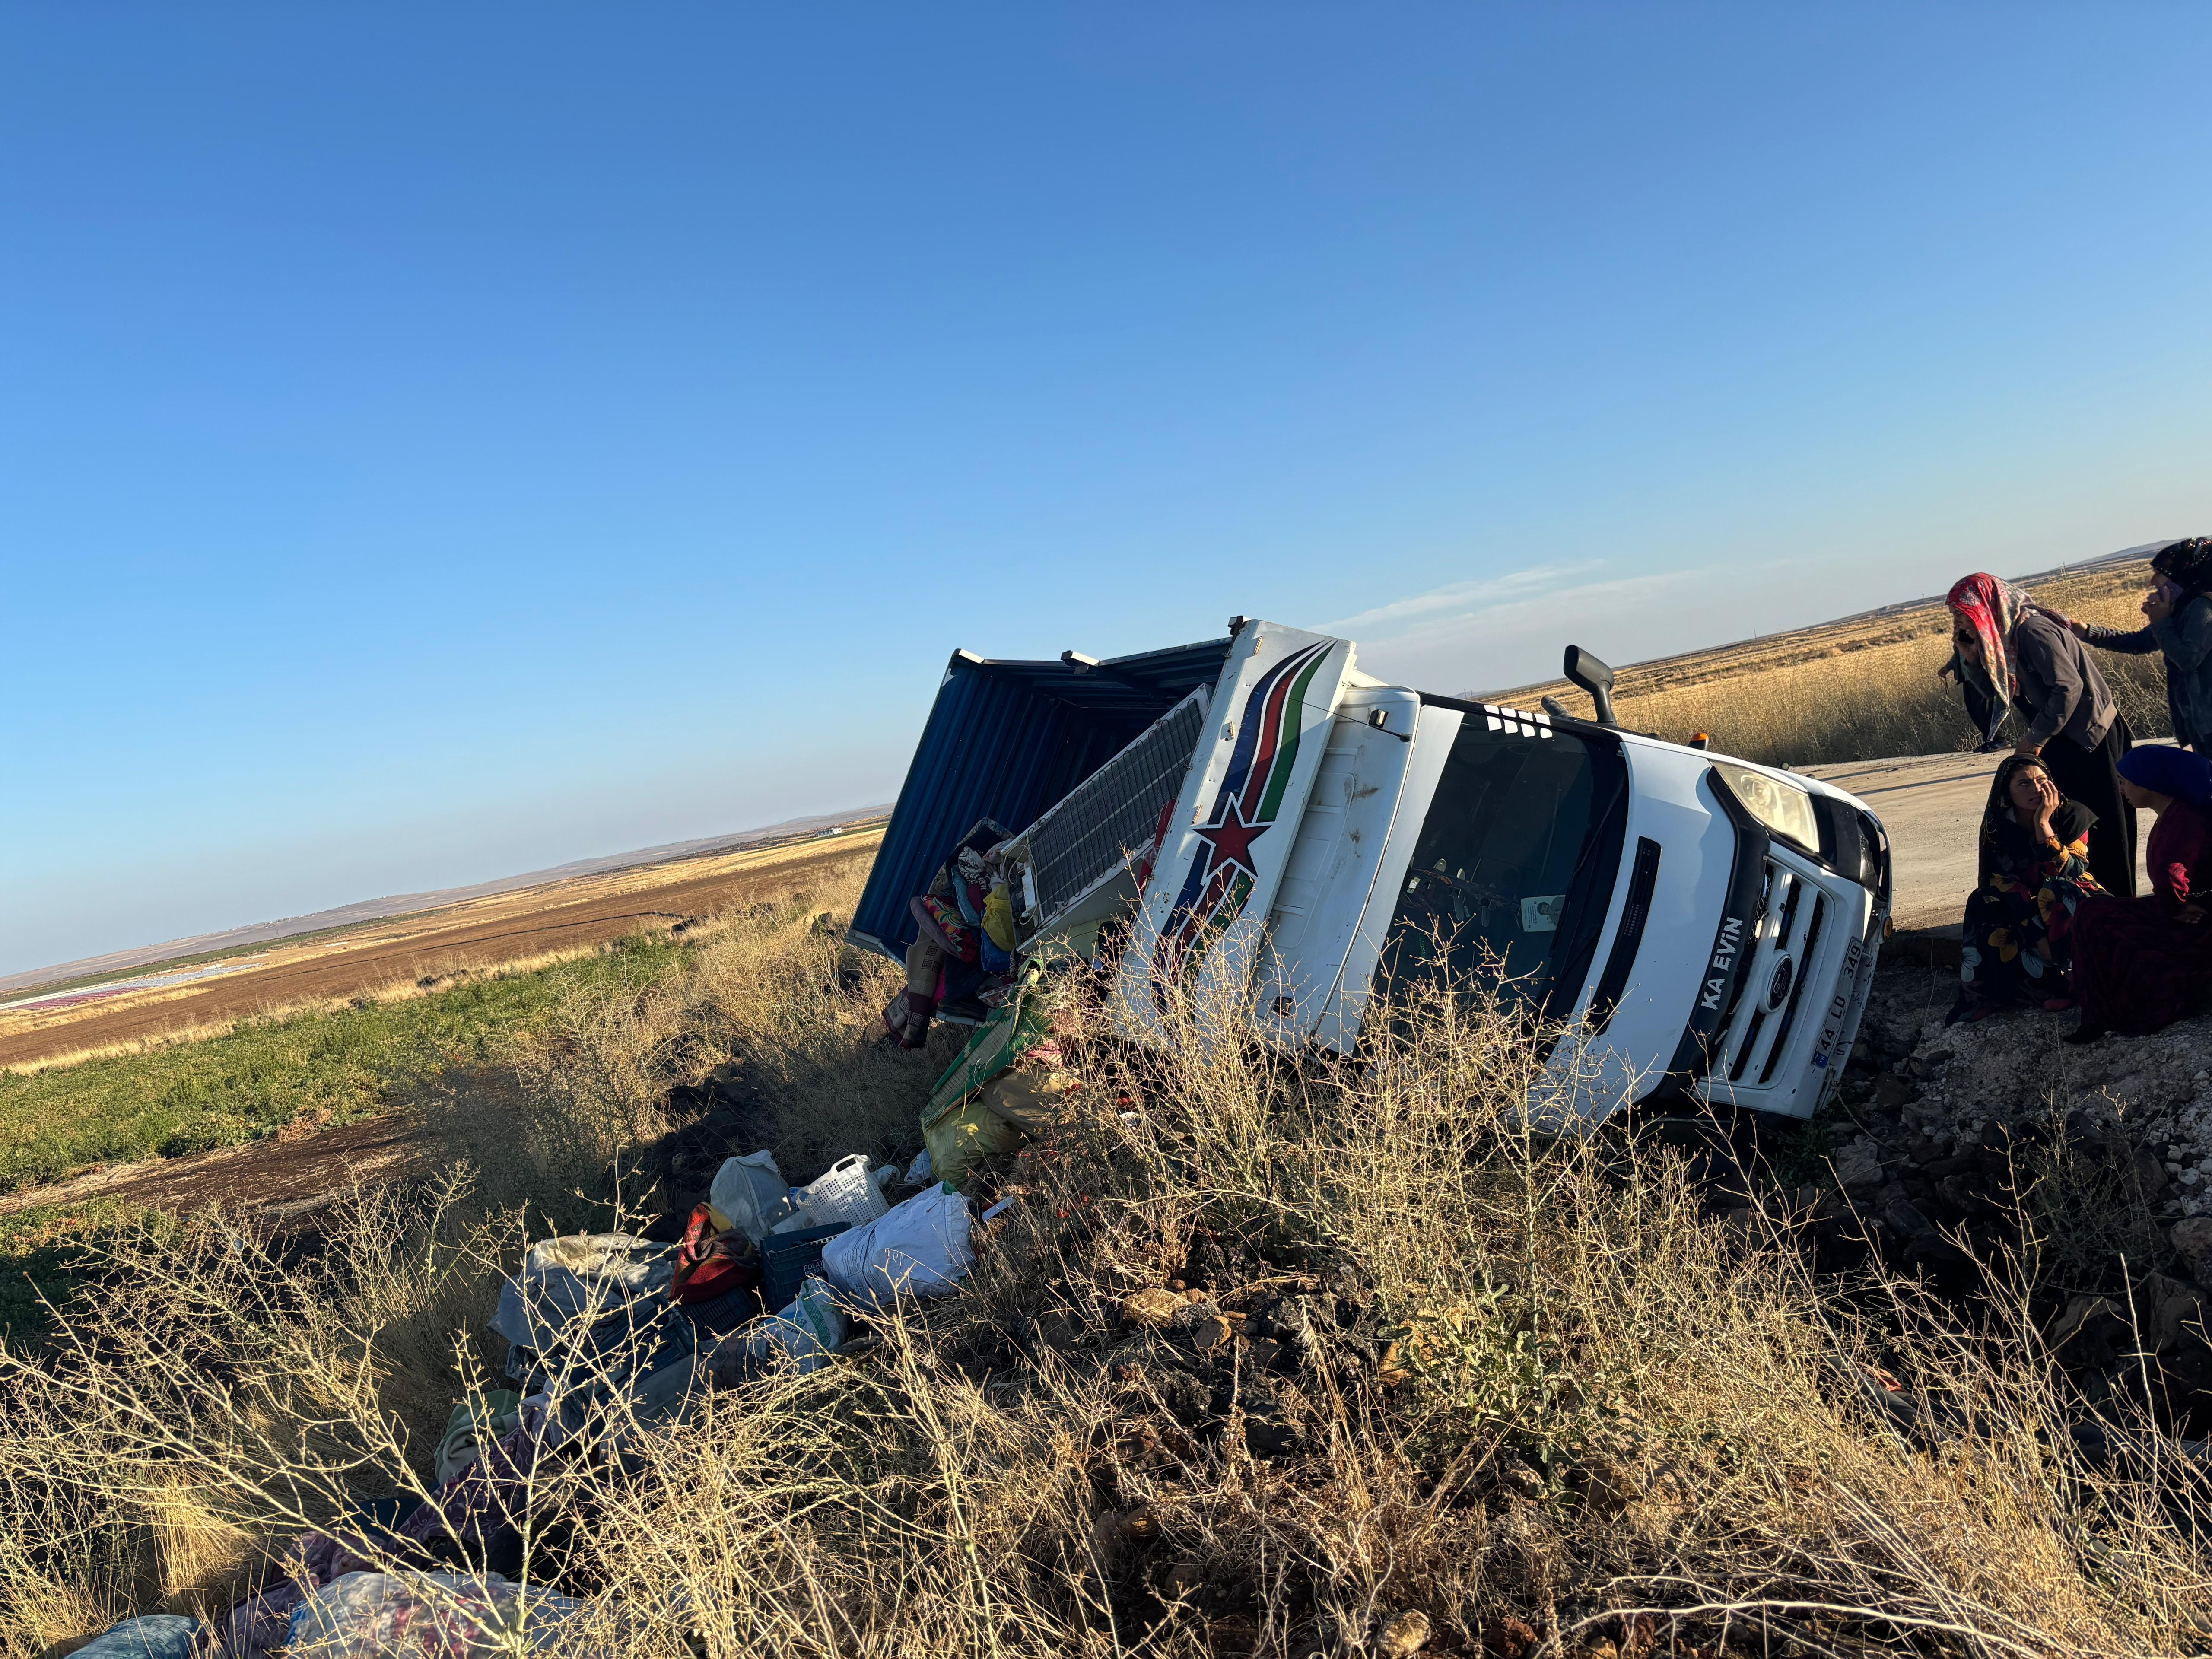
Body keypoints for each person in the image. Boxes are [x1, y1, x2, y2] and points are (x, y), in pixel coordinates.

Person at [1948, 572, 2137, 896]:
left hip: (2091, 738)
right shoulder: (2004, 642)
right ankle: (2083, 901)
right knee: (2067, 822)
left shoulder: (2033, 631)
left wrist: (2035, 738)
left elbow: (2068, 688)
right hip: (2061, 738)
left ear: (1986, 607)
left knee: (2103, 826)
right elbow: (1998, 695)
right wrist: (1973, 660)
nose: (1959, 622)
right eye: (1955, 616)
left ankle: (2118, 905)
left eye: (1963, 613)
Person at [2067, 745, 2212, 1042]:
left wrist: (2177, 908)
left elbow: (2172, 875)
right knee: (2096, 911)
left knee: (2093, 915)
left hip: (2198, 926)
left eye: (2126, 782)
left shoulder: (2183, 820)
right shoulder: (2174, 814)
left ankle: (2112, 1010)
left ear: (2149, 782)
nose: (2121, 790)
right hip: (2189, 912)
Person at [1947, 754, 2106, 1023]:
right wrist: (2036, 933)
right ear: (2007, 793)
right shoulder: (2000, 828)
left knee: (2056, 890)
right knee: (1982, 900)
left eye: (2042, 781)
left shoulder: (2072, 814)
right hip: (2023, 905)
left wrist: (2043, 824)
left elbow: (2072, 870)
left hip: (2073, 898)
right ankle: (1987, 993)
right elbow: (2004, 883)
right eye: (2024, 784)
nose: (2036, 789)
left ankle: (2076, 981)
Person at [2055, 537, 2212, 753]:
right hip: (2201, 725)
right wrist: (2087, 631)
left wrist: (2161, 622)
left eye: (2163, 574)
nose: (2154, 582)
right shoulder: (2181, 610)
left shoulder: (2203, 609)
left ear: (2184, 576)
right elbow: (2139, 642)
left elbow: (2188, 659)